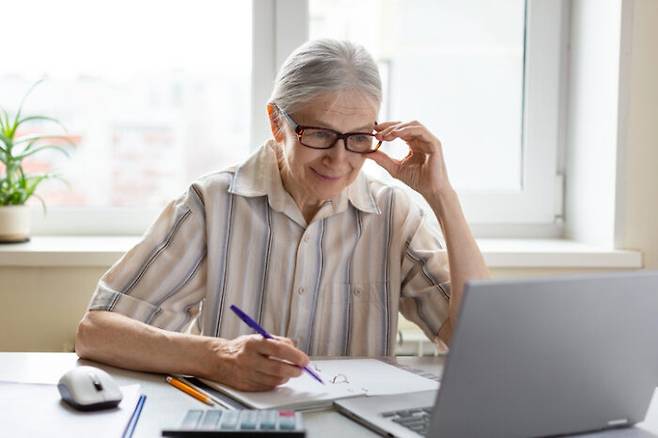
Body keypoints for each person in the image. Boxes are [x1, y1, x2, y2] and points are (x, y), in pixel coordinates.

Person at [75, 39, 489, 392]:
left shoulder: (395, 214)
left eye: (358, 137)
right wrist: (220, 357)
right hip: (238, 425)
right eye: (320, 134)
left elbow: (481, 344)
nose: (339, 158)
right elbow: (98, 333)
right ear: (277, 123)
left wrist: (441, 196)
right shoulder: (212, 203)